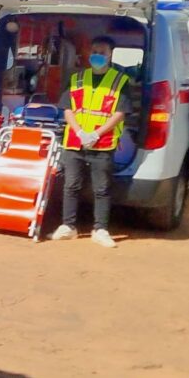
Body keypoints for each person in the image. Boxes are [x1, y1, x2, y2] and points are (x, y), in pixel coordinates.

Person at [51, 34, 131, 248]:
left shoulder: (120, 81)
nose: (97, 56)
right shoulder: (77, 78)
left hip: (103, 143)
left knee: (102, 189)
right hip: (74, 142)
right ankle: (68, 226)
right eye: (94, 52)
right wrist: (79, 132)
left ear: (110, 55)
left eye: (102, 52)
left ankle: (100, 229)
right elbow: (67, 108)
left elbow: (120, 113)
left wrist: (96, 134)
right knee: (71, 185)